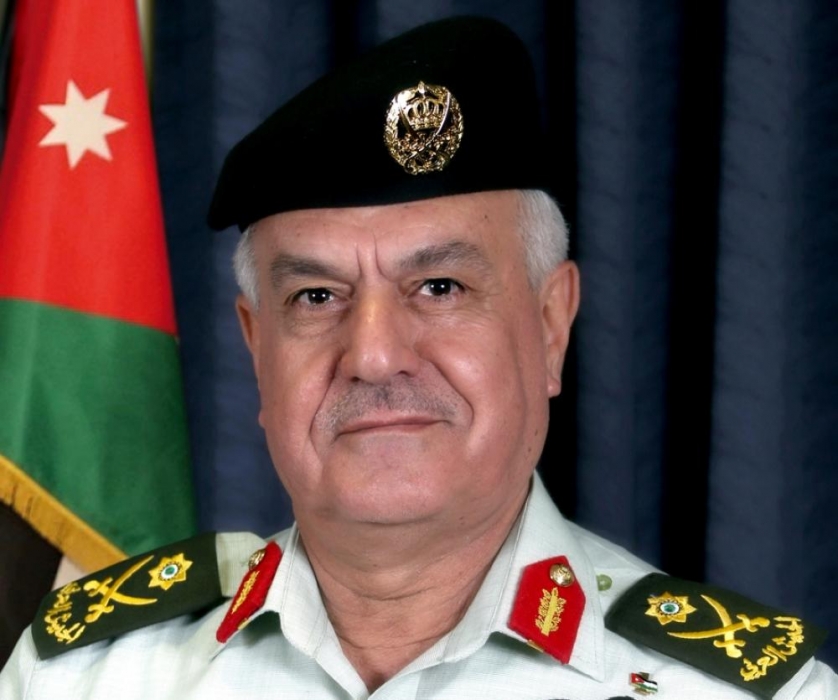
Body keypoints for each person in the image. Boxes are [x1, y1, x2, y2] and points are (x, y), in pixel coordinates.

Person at [1, 16, 834, 700]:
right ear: (256, 348)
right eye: (316, 297)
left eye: (439, 287)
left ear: (551, 325)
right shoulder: (80, 677)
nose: (372, 355)